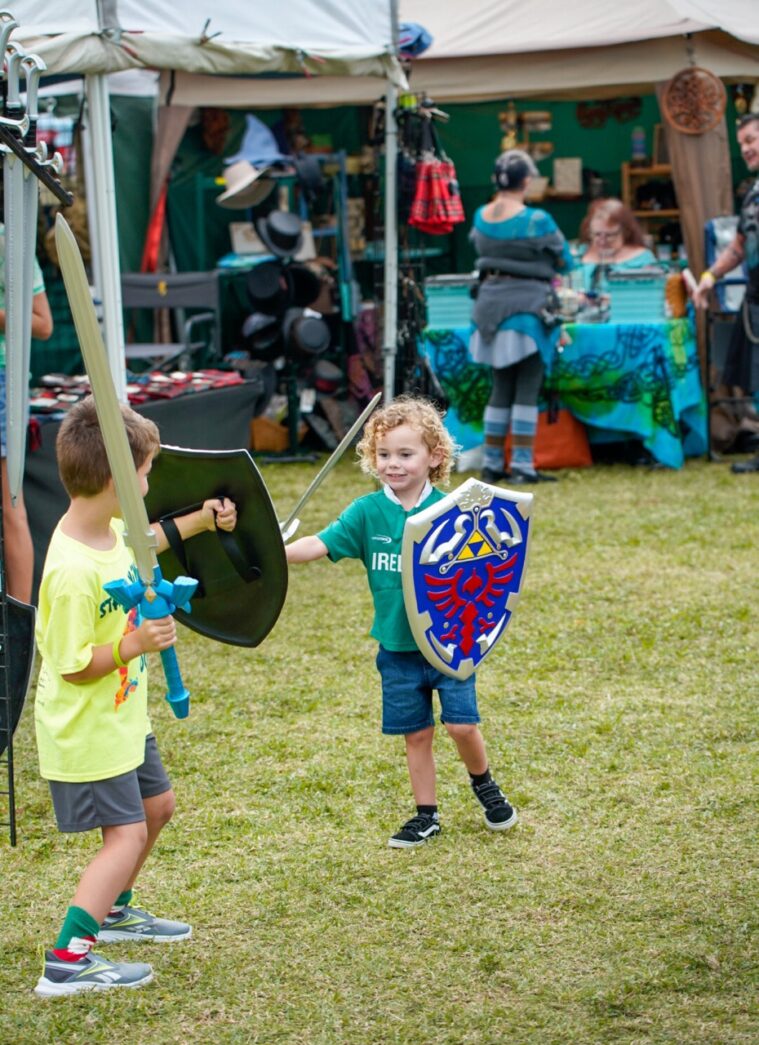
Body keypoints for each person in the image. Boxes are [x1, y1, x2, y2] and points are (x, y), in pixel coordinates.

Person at [33, 395, 237, 997]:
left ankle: (113, 912)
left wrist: (202, 519)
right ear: (117, 479)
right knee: (123, 837)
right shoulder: (71, 570)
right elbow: (70, 667)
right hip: (85, 728)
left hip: (121, 718)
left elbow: (146, 539)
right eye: (144, 470)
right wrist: (135, 644)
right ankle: (68, 960)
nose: (149, 478)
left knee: (158, 809)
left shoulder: (111, 529)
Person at [285, 396, 517, 849]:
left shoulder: (456, 513)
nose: (393, 464)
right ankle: (426, 815)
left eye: (405, 454)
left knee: (462, 726)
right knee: (417, 734)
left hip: (452, 641)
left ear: (434, 457)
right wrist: (274, 553)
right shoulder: (367, 512)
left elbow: (491, 565)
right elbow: (319, 544)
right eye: (384, 454)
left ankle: (484, 784)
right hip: (396, 648)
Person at [469, 149, 573, 485]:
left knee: (500, 386)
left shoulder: (481, 216)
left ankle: (493, 464)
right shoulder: (536, 220)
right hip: (528, 308)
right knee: (528, 387)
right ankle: (523, 466)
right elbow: (565, 258)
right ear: (527, 180)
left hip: (488, 306)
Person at [693, 112, 759, 474]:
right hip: (755, 297)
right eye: (743, 144)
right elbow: (739, 246)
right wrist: (709, 276)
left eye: (751, 140)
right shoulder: (753, 193)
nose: (746, 149)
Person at [0, 222, 54, 602]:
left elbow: (43, 324)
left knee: (10, 505)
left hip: (5, 379)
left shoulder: (8, 241)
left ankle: (21, 627)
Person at [577, 198, 657, 289]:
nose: (602, 241)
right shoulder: (580, 254)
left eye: (609, 235)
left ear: (625, 232)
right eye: (597, 234)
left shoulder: (642, 259)